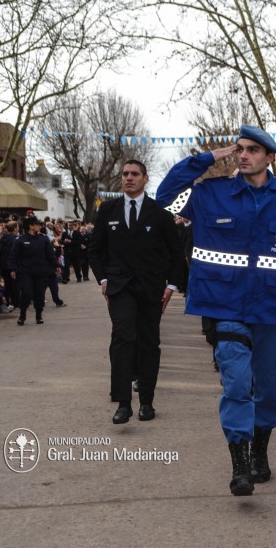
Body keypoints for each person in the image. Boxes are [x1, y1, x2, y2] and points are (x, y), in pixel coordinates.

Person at [155, 126, 276, 496]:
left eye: (253, 150)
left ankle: (261, 450)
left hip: (273, 308)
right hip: (225, 304)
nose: (243, 155)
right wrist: (210, 157)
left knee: (270, 388)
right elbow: (164, 197)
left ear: (270, 157)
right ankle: (240, 461)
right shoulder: (211, 194)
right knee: (237, 382)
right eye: (240, 149)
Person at [89, 160, 181, 425]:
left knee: (149, 343)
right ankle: (123, 403)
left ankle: (147, 402)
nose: (129, 178)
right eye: (125, 174)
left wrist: (171, 286)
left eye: (134, 174)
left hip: (151, 289)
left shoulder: (160, 214)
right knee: (123, 337)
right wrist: (103, 279)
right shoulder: (108, 210)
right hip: (119, 287)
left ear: (145, 178)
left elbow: (176, 255)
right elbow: (95, 250)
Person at [9, 216, 60, 327]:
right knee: (27, 293)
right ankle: (22, 315)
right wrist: (13, 268)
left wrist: (56, 265)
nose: (40, 226)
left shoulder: (43, 239)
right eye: (37, 224)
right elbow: (14, 256)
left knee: (39, 294)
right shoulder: (21, 240)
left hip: (41, 271)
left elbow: (50, 254)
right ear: (31, 226)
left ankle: (38, 315)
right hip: (26, 272)